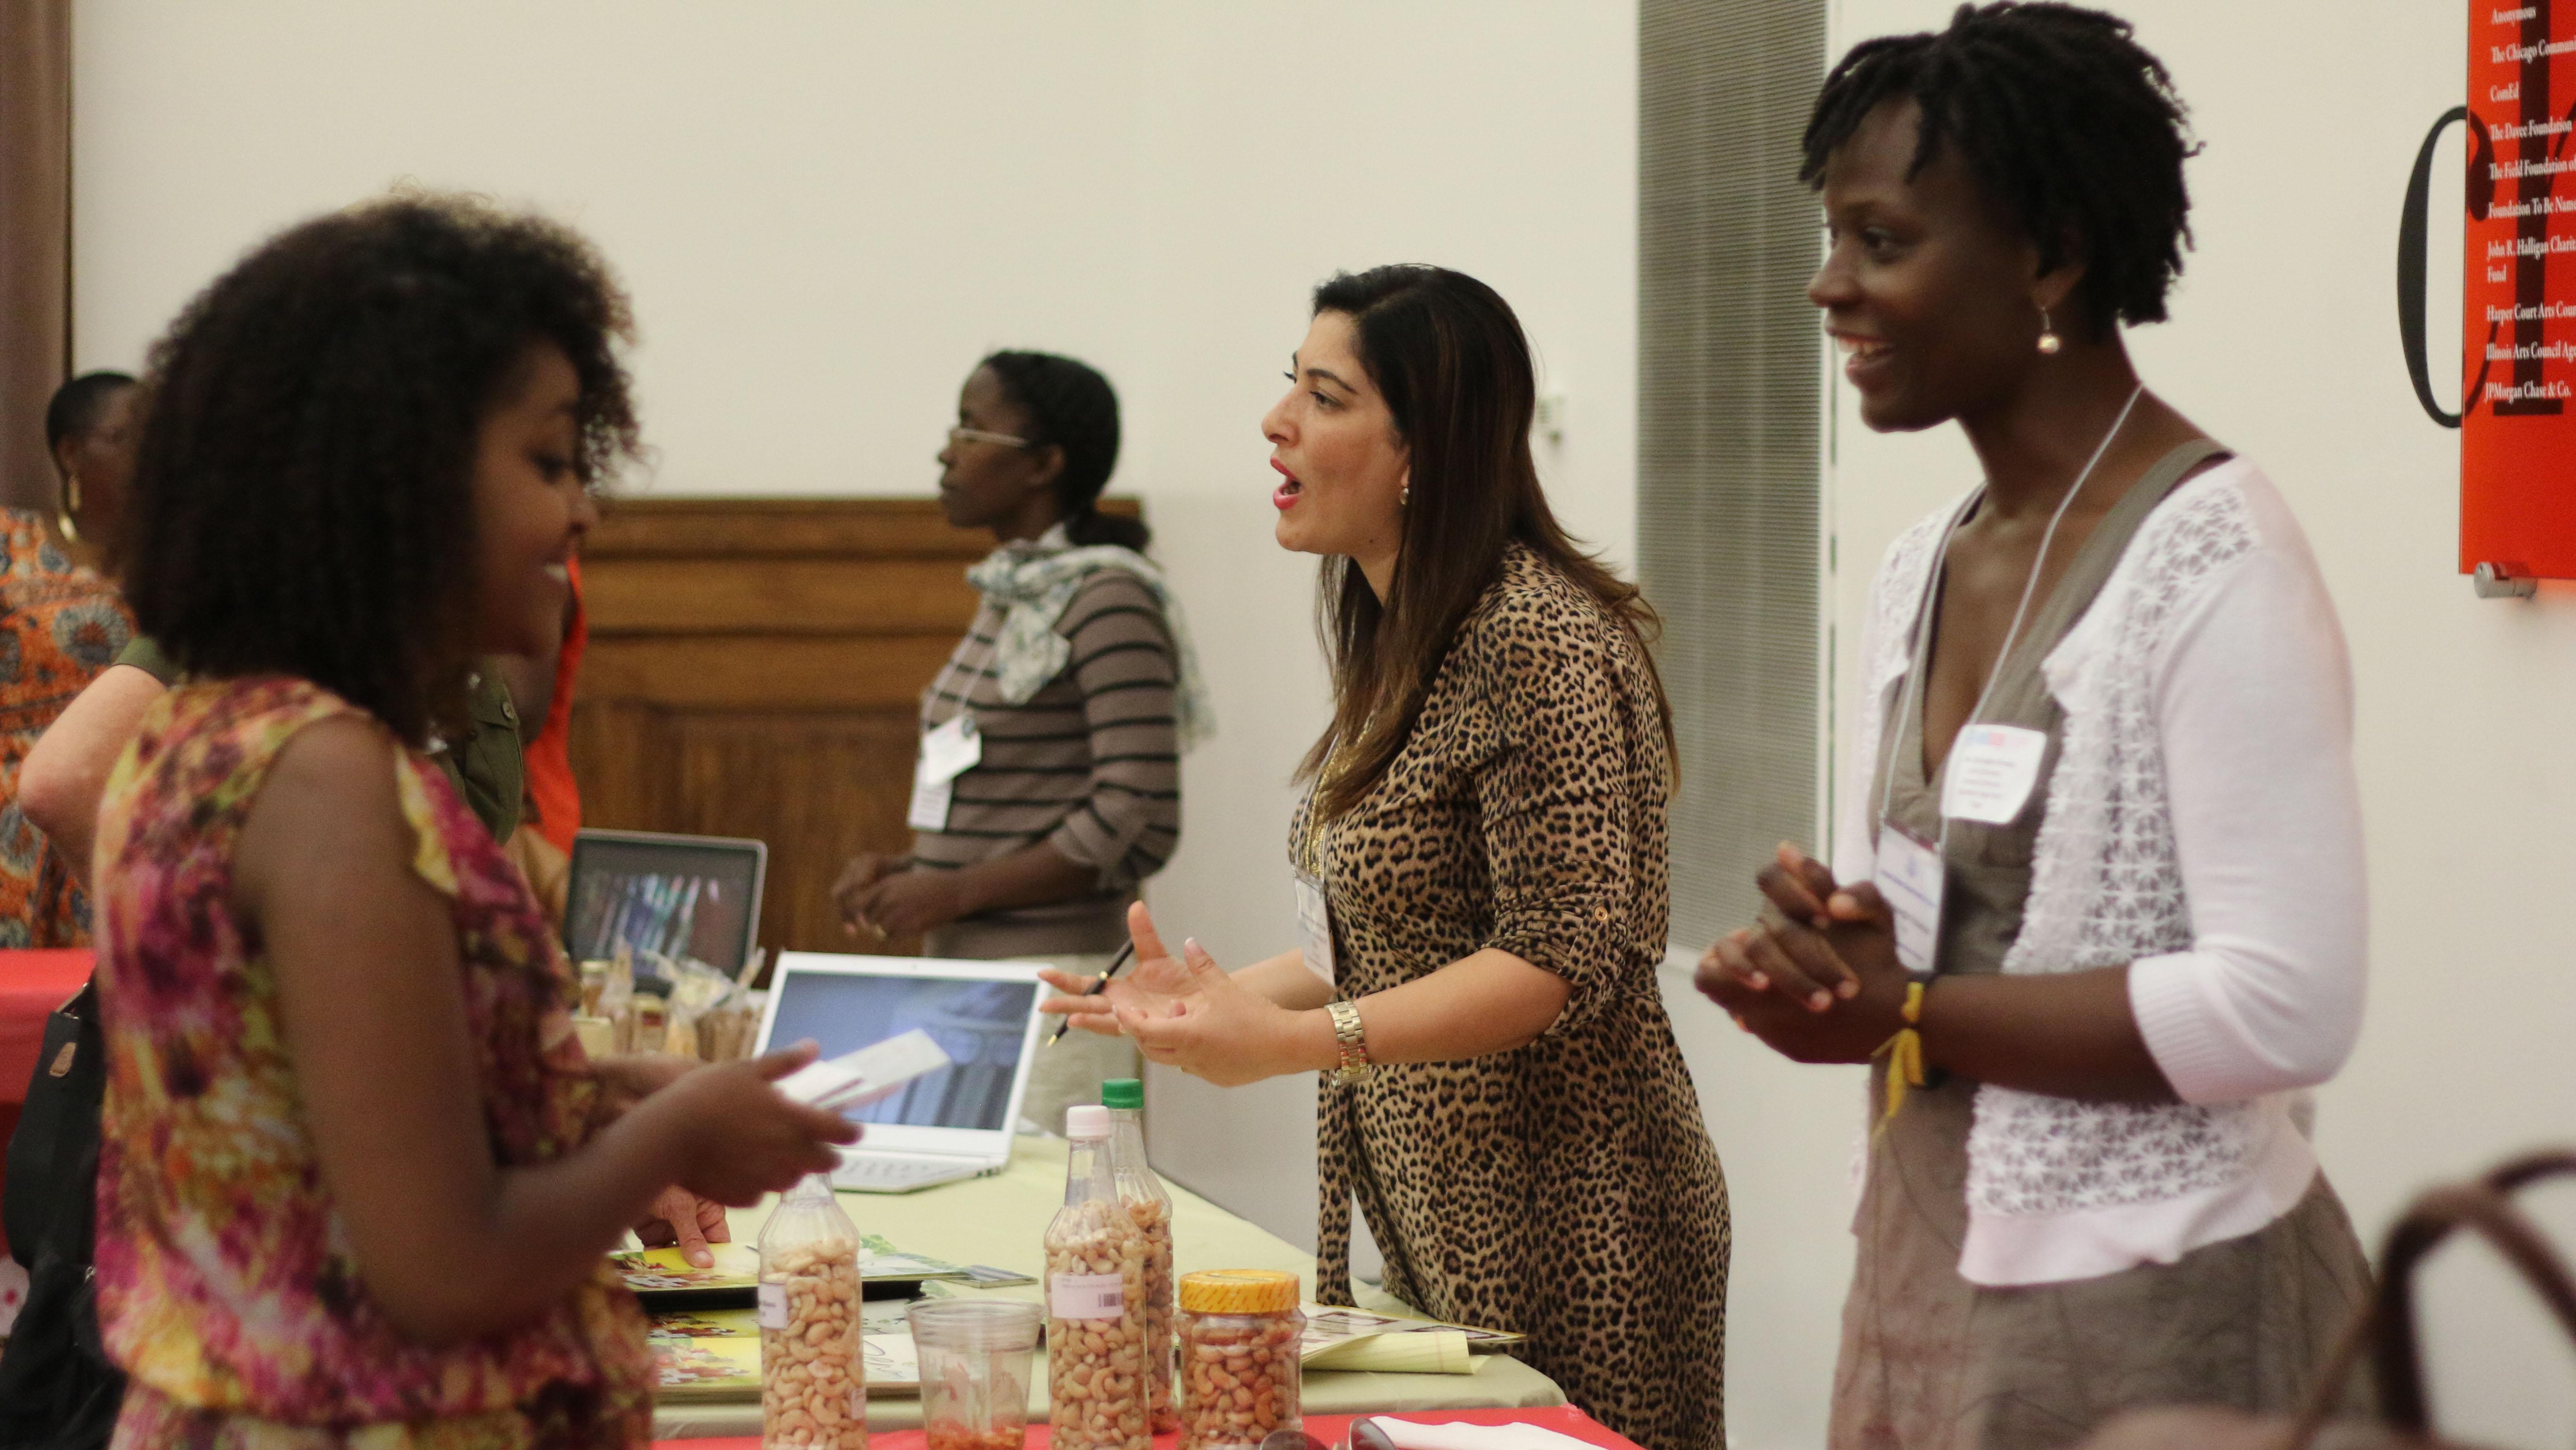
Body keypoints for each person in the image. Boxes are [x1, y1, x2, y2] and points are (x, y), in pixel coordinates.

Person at [1693, 7, 2371, 1445]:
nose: (1830, 287)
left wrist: (1919, 1011)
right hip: (1930, 1255)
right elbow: (1967, 933)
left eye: (1883, 242)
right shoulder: (1925, 560)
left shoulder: (2213, 553)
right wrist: (1847, 953)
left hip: (2159, 1297)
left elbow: (2286, 1003)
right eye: (1835, 238)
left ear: (2053, 255)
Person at [83, 192, 856, 1447]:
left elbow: (312, 1108)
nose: (583, 514)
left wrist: (597, 1094)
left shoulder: (204, 737)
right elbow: (443, 1266)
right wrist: (675, 1128)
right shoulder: (328, 778)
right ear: (397, 480)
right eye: (550, 463)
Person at [1046, 266, 1729, 1450]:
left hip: (1577, 1217)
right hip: (1439, 1202)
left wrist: (1292, 1045)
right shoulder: (1402, 628)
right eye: (1289, 390)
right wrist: (1203, 1003)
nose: (1277, 424)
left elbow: (1551, 960)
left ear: (1422, 447)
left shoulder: (1535, 636)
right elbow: (1368, 941)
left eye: (1323, 397)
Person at [835, 350, 1208, 1131]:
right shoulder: (1017, 591)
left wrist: (956, 890)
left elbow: (1135, 813)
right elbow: (1020, 792)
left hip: (1056, 986)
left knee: (1055, 1239)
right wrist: (912, 870)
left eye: (971, 429)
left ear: (1045, 463)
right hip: (969, 973)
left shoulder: (1107, 598)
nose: (947, 451)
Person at [0, 374, 141, 946]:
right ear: (71, 452)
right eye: (128, 436)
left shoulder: (180, 561)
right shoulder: (11, 547)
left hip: (139, 831)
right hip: (19, 831)